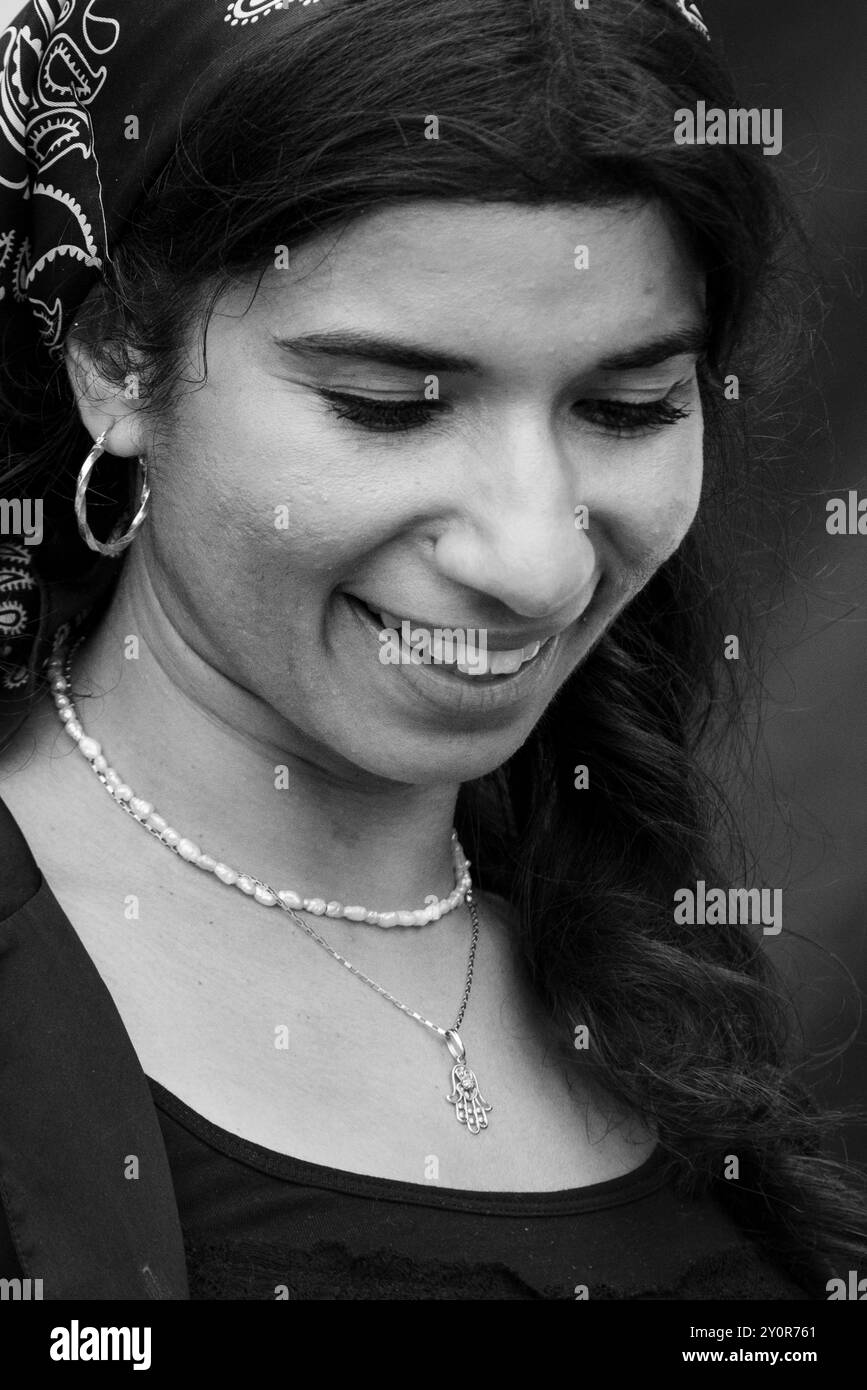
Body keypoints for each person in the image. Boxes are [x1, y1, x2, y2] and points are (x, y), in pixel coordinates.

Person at [0, 0, 864, 1301]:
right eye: (390, 406)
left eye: (627, 409)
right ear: (120, 355)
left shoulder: (636, 963)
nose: (538, 559)